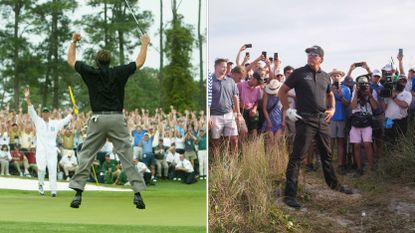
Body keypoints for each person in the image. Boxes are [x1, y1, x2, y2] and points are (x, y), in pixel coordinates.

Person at [67, 32, 149, 209]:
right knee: (126, 156)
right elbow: (139, 63)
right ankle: (137, 194)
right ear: (109, 61)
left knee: (87, 154)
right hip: (117, 119)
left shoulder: (91, 73)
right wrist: (144, 44)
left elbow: (71, 60)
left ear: (97, 62)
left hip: (97, 118)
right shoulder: (119, 72)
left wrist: (74, 41)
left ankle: (78, 194)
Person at [278, 45, 353, 208]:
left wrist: (332, 109)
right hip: (305, 120)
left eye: (314, 54)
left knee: (327, 154)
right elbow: (281, 91)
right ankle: (289, 195)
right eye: (309, 54)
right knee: (297, 157)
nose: (310, 56)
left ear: (321, 59)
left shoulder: (326, 76)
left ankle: (334, 185)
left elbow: (330, 94)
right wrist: (287, 110)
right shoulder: (299, 73)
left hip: (322, 120)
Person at [24, 88, 72, 197]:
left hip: (51, 150)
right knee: (41, 168)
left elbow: (65, 121)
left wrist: (72, 113)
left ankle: (53, 190)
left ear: (49, 113)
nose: (45, 114)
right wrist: (27, 98)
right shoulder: (38, 120)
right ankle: (41, 186)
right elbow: (31, 110)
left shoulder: (54, 123)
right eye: (44, 112)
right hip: (41, 149)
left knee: (52, 168)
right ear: (42, 114)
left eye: (47, 112)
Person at [209, 58, 242, 156]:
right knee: (216, 142)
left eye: (226, 67)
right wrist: (208, 116)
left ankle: (234, 162)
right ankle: (217, 161)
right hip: (215, 116)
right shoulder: (210, 81)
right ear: (216, 66)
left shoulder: (231, 81)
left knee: (234, 139)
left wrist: (238, 114)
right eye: (223, 66)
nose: (225, 69)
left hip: (229, 114)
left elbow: (235, 97)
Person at [328, 68, 351, 173]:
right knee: (330, 142)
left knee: (341, 142)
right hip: (331, 118)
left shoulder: (346, 89)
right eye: (334, 75)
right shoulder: (327, 88)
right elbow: (324, 103)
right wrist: (331, 93)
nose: (336, 77)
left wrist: (340, 95)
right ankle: (329, 164)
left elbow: (347, 105)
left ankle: (341, 164)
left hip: (342, 118)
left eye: (338, 75)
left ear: (341, 77)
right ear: (331, 77)